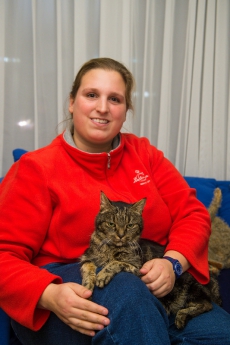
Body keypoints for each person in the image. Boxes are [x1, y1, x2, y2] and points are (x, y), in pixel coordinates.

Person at [0, 57, 229, 345]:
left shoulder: (145, 154)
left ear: (126, 111)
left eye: (115, 99)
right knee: (126, 288)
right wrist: (48, 294)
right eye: (91, 95)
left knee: (221, 334)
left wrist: (174, 263)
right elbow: (3, 255)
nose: (103, 108)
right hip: (67, 295)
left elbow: (193, 214)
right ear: (72, 102)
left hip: (157, 288)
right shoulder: (35, 168)